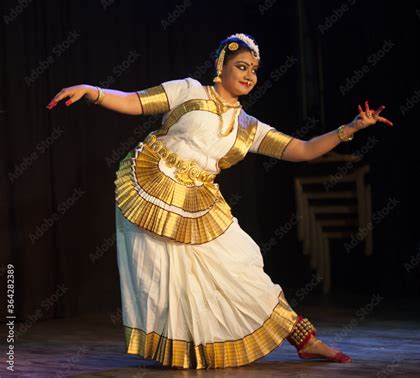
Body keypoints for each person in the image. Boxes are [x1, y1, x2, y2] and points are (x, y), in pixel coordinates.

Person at [47, 33, 393, 370]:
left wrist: (349, 128)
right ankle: (185, 351)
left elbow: (301, 150)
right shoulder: (188, 91)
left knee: (243, 265)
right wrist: (92, 91)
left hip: (200, 201)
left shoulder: (248, 126)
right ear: (220, 66)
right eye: (242, 66)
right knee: (167, 278)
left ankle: (304, 339)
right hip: (154, 190)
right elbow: (133, 101)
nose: (249, 75)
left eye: (254, 70)